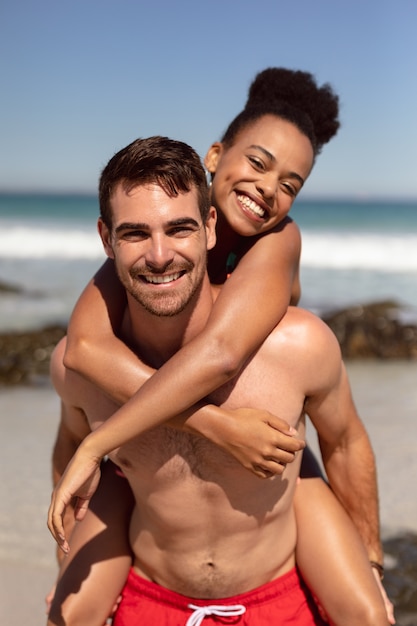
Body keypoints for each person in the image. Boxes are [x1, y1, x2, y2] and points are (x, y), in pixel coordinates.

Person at [48, 135, 390, 625]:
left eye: (179, 228)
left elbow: (346, 442)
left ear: (210, 228)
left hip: (280, 596)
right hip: (151, 598)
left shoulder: (298, 347)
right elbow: (71, 445)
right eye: (135, 234)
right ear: (106, 240)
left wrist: (371, 562)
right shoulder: (79, 368)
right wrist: (65, 561)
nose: (161, 255)